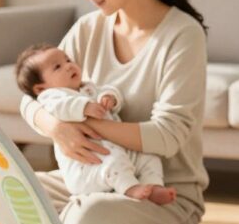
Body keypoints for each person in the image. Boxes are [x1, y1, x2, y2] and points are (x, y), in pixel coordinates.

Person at [20, 0, 208, 224]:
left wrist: (87, 123)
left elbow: (168, 135)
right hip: (91, 181)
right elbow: (32, 98)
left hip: (162, 194)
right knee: (9, 187)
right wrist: (56, 126)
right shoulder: (87, 29)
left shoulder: (182, 36)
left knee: (89, 217)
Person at [15, 43, 175, 205]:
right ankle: (130, 189)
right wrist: (84, 107)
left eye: (68, 60)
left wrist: (110, 98)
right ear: (40, 89)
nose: (69, 66)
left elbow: (109, 91)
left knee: (148, 157)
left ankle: (154, 185)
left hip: (116, 151)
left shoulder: (88, 88)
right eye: (57, 67)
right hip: (88, 166)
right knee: (114, 163)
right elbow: (60, 107)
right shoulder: (51, 96)